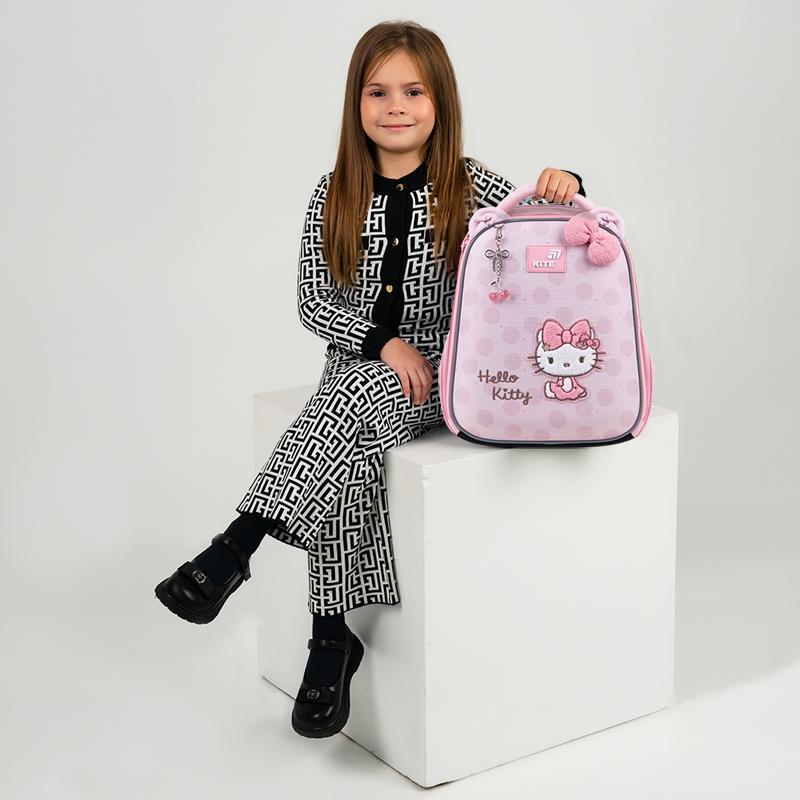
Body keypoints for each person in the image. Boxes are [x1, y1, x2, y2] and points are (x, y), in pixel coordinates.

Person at [154, 19, 586, 738]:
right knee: (347, 437)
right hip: (359, 372)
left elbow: (543, 227)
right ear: (355, 101)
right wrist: (381, 342)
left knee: (345, 405)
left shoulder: (469, 185)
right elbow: (313, 300)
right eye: (378, 91)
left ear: (440, 101)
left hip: (442, 380)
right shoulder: (335, 192)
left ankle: (238, 546)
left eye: (414, 91)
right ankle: (331, 639)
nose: (396, 107)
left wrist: (567, 183)